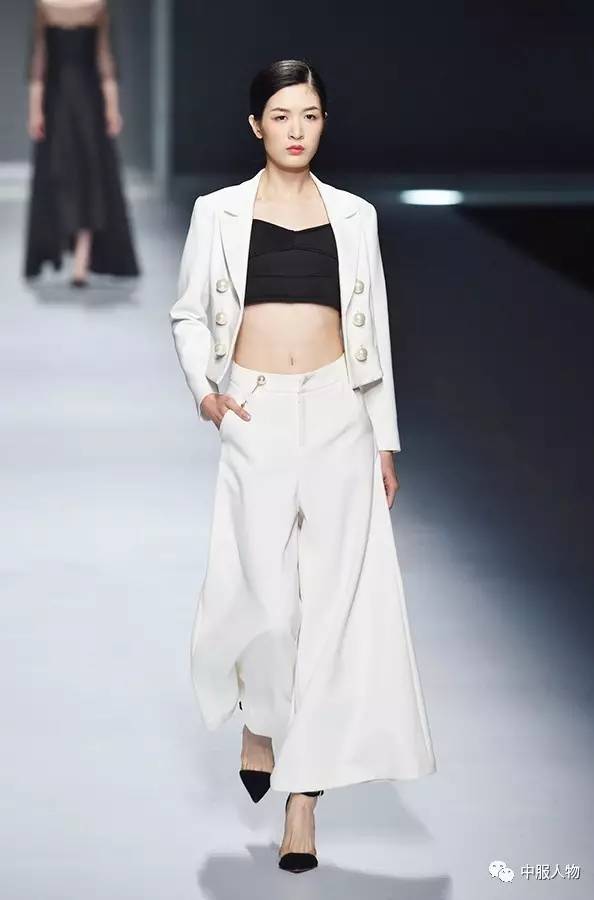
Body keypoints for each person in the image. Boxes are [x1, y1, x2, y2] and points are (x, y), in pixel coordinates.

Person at [170, 59, 437, 874]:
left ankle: (302, 802)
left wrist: (383, 438)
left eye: (310, 115)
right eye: (281, 115)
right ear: (256, 125)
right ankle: (259, 714)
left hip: (337, 415)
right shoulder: (217, 213)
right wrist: (207, 395)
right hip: (252, 412)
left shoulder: (354, 216)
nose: (296, 130)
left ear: (323, 123)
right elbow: (188, 312)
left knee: (331, 610)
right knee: (262, 598)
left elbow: (373, 332)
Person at [24, 0, 139, 286]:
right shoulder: (47, 5)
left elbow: (104, 59)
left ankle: (81, 257)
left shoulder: (96, 6)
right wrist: (36, 110)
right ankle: (73, 248)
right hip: (60, 104)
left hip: (86, 104)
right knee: (63, 175)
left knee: (89, 177)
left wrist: (112, 108)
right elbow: (39, 62)